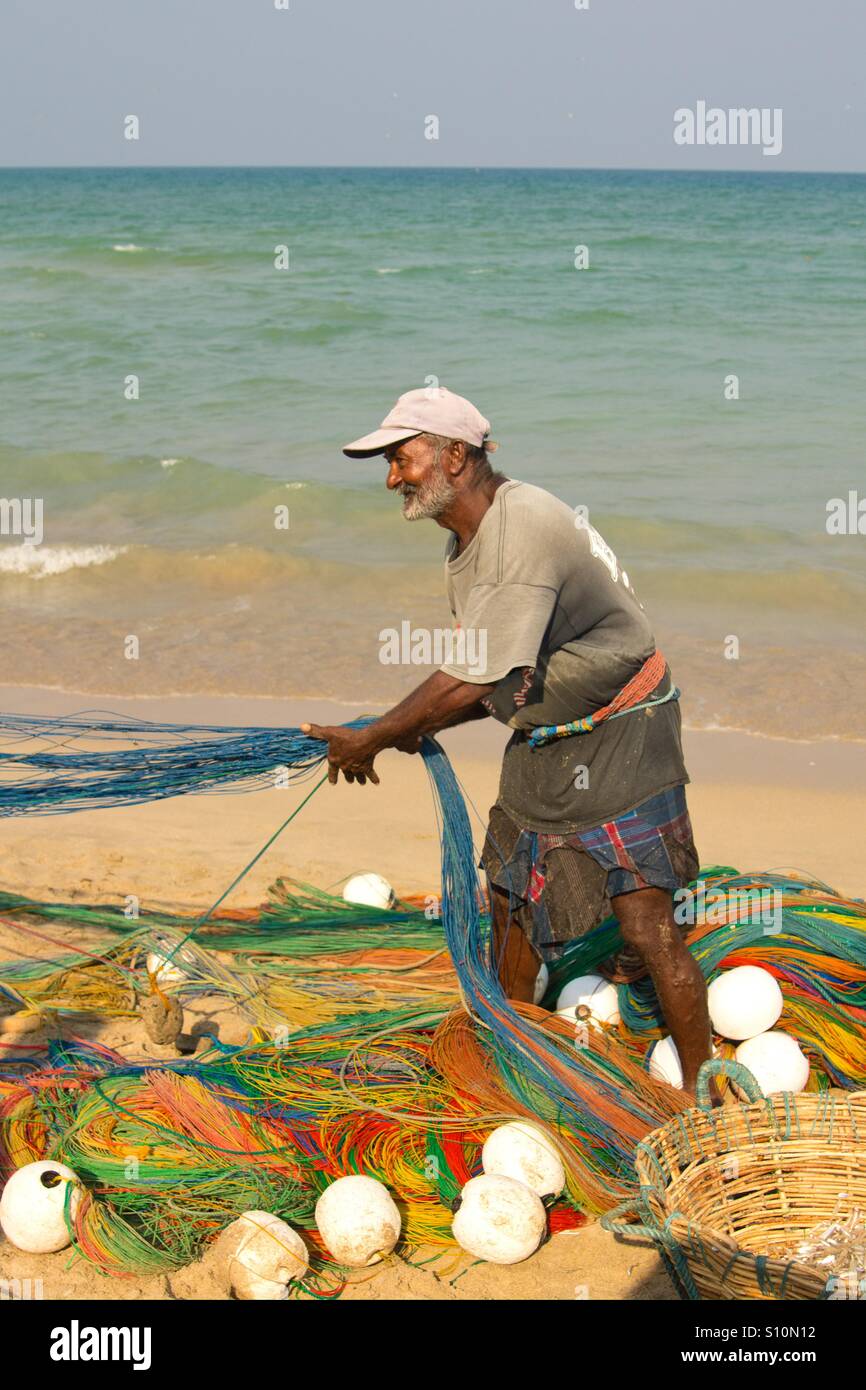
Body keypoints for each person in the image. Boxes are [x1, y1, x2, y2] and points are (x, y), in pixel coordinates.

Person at [302, 386, 714, 1094]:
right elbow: (499, 677)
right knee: (511, 898)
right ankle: (511, 1053)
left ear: (455, 456)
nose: (391, 477)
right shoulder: (466, 542)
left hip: (623, 730)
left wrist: (375, 735)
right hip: (548, 726)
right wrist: (403, 727)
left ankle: (708, 1091)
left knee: (646, 923)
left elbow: (470, 679)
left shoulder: (519, 529)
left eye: (401, 458)